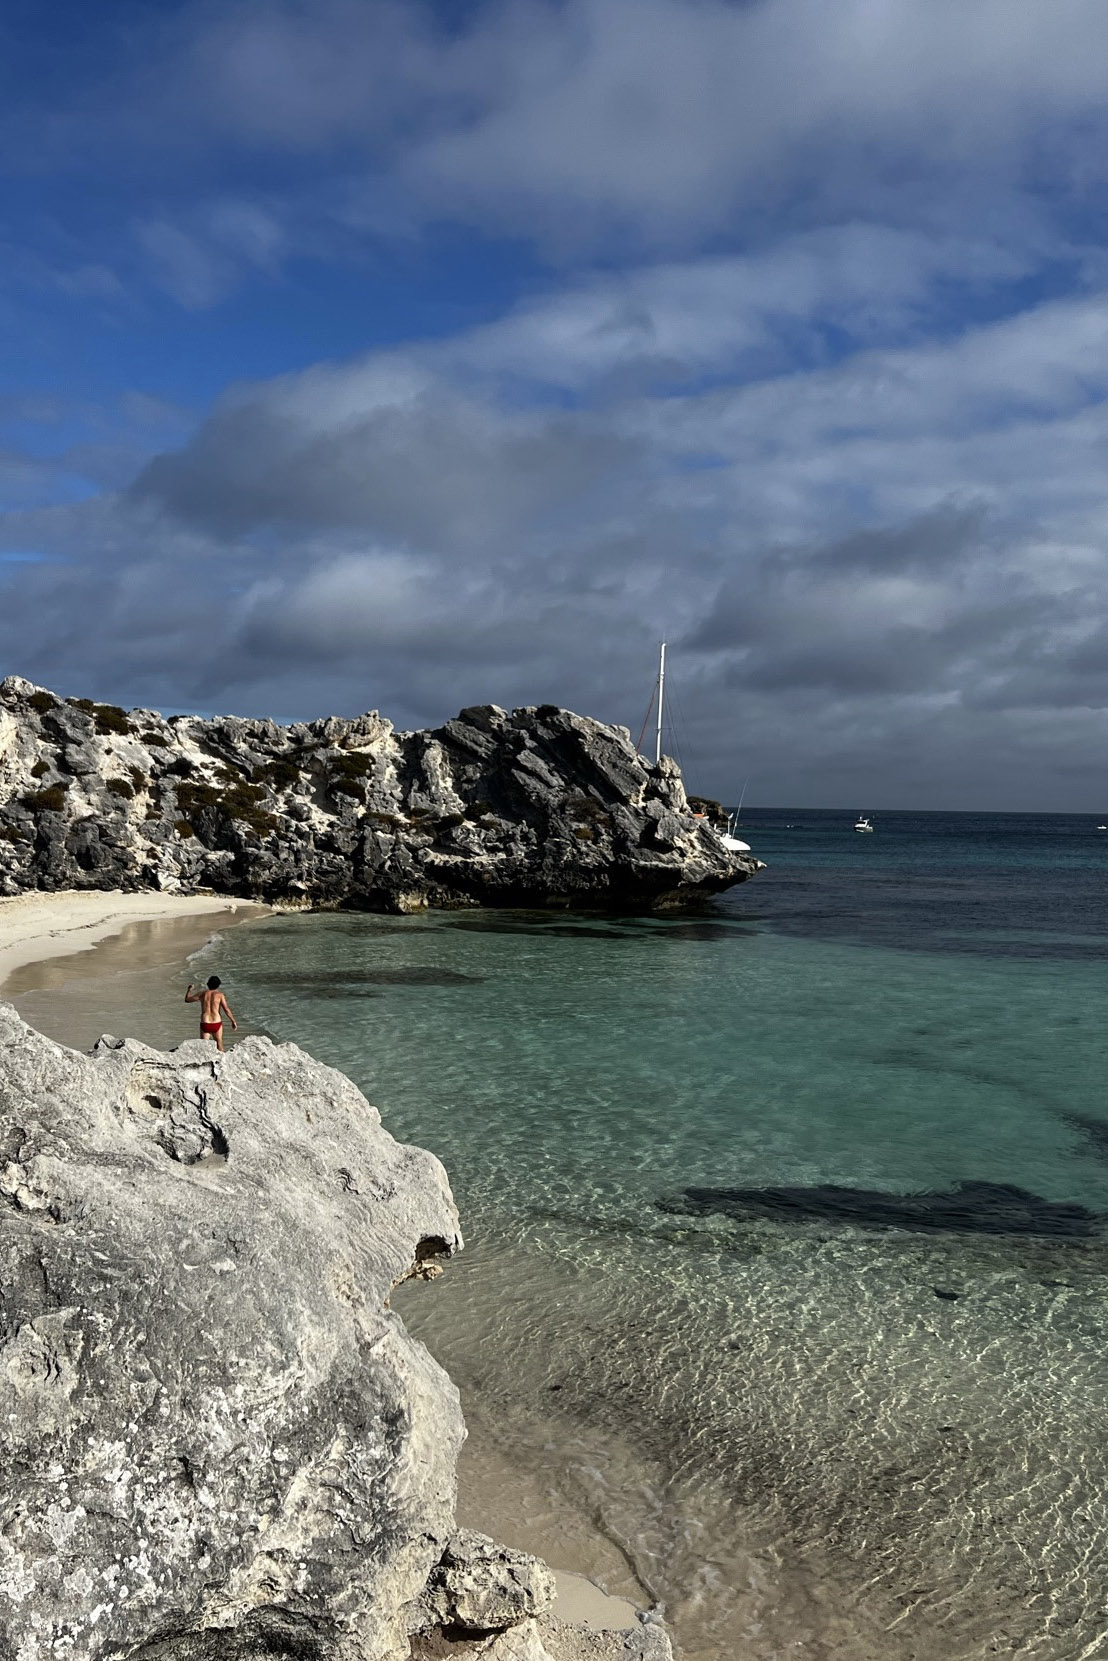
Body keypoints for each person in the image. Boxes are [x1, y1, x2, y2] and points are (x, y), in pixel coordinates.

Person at [185, 975, 238, 1052]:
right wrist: (233, 1021)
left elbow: (187, 999)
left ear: (208, 984)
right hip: (216, 1022)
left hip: (205, 1023)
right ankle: (221, 1062)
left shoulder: (202, 994)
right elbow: (226, 1009)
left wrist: (189, 990)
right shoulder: (220, 995)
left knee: (204, 1047)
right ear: (218, 985)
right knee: (219, 1045)